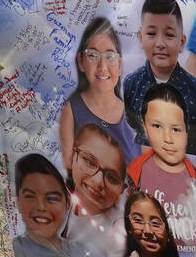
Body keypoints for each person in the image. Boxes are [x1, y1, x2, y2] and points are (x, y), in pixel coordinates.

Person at [127, 82, 196, 257]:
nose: (168, 139)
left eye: (176, 129)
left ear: (187, 130)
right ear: (144, 127)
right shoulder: (135, 175)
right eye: (157, 126)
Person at [122, 0, 196, 135]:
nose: (160, 43)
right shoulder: (132, 84)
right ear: (140, 37)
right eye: (151, 34)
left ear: (182, 42)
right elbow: (133, 125)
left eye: (169, 35)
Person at [60, 17, 141, 171]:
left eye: (110, 57)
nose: (102, 67)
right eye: (93, 55)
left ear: (120, 65)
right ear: (80, 61)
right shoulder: (72, 111)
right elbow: (70, 171)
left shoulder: (134, 115)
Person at [61, 123, 130, 257]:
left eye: (112, 177)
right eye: (89, 162)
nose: (98, 182)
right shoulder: (60, 206)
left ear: (122, 187)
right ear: (72, 156)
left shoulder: (119, 229)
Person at [10, 153, 69, 257]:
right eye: (30, 197)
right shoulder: (17, 249)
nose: (41, 207)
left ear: (67, 203)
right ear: (18, 203)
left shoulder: (82, 253)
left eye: (52, 198)